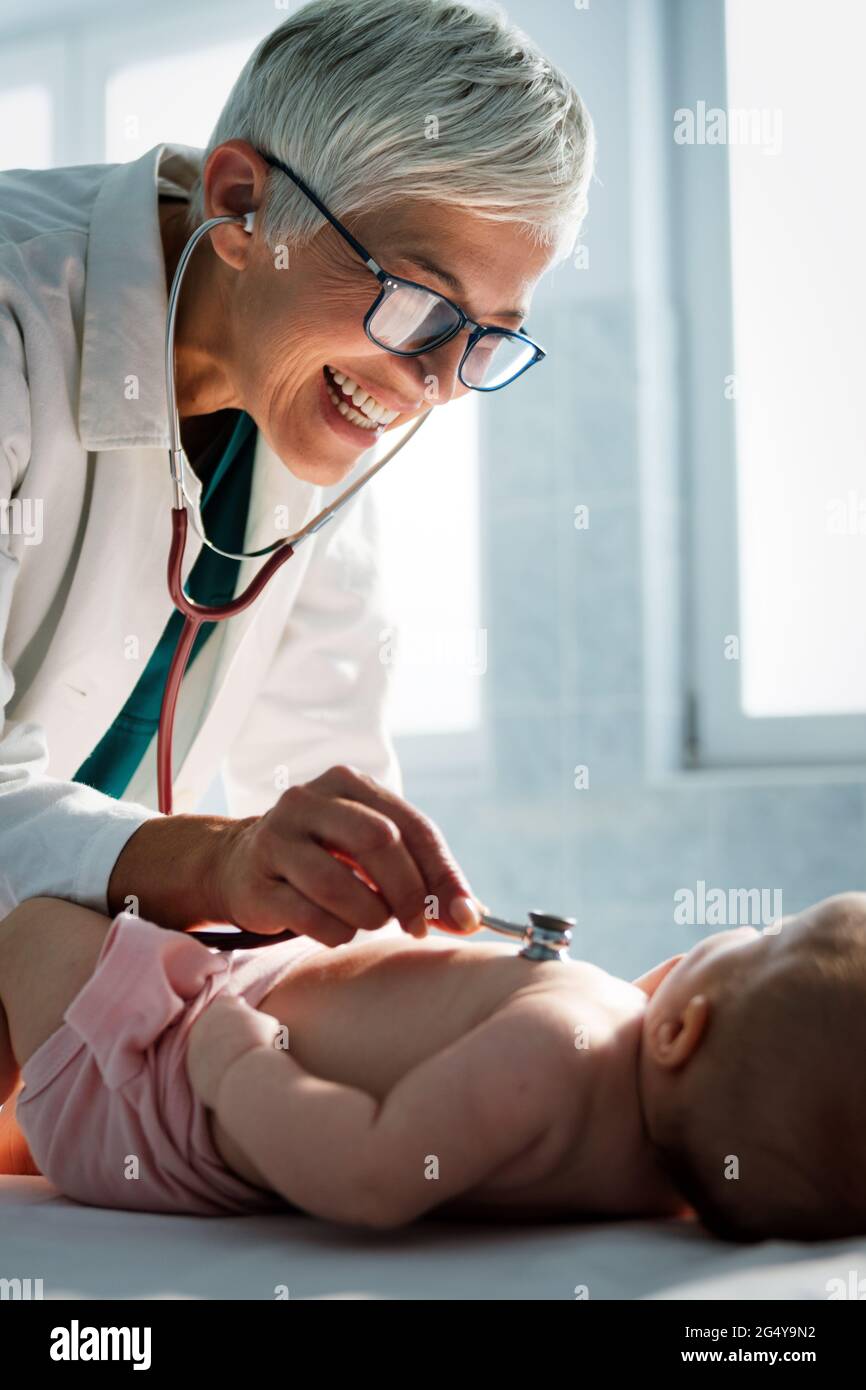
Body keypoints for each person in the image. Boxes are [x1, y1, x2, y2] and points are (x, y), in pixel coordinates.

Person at [0, 0, 595, 944]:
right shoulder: (14, 314)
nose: (438, 385)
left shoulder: (310, 413)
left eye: (486, 342)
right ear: (243, 204)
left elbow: (326, 778)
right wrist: (216, 865)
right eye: (418, 302)